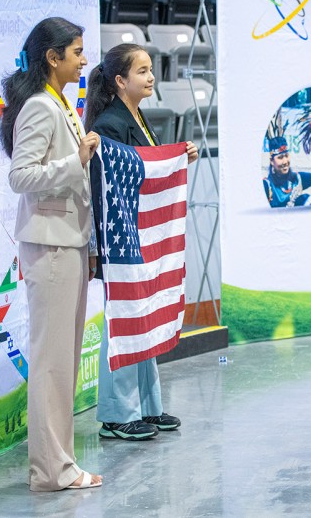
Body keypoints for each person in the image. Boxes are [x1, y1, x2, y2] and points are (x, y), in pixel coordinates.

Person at [0, 17, 102, 491]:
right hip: (52, 245)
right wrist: (74, 161)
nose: (84, 60)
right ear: (52, 57)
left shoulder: (61, 104)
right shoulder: (41, 107)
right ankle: (50, 470)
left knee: (61, 360)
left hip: (70, 242)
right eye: (77, 52)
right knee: (50, 363)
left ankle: (61, 463)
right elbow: (20, 177)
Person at [83, 43, 198, 442]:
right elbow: (116, 178)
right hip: (121, 232)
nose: (151, 77)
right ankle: (116, 414)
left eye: (151, 69)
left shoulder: (137, 117)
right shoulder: (110, 125)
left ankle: (146, 407)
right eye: (143, 71)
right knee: (124, 320)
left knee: (143, 315)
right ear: (120, 81)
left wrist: (180, 158)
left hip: (141, 233)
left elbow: (148, 169)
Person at [262, 136, 311, 208]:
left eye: (286, 156)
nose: (285, 161)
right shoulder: (267, 186)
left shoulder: (297, 179)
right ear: (272, 161)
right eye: (280, 157)